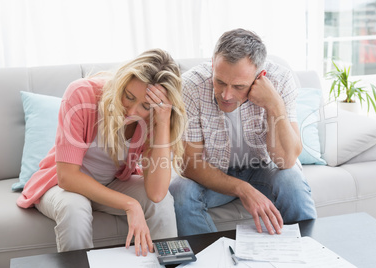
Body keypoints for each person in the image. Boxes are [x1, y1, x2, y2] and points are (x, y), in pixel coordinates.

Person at [17, 49, 186, 256]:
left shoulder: (154, 117)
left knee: (162, 205)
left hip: (111, 182)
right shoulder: (81, 94)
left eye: (145, 106)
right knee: (74, 210)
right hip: (64, 185)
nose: (132, 112)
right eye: (129, 96)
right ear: (121, 83)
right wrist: (129, 204)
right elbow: (67, 177)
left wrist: (162, 120)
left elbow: (157, 194)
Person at [169, 28, 317, 236]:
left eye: (239, 86)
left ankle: (305, 254)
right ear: (213, 64)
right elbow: (190, 164)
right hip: (214, 174)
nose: (226, 95)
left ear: (260, 76)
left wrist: (274, 106)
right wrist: (242, 189)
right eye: (220, 81)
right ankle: (211, 258)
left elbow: (287, 160)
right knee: (180, 190)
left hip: (264, 169)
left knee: (291, 179)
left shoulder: (281, 81)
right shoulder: (191, 86)